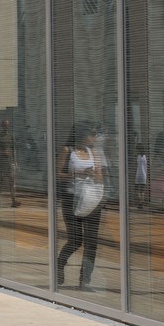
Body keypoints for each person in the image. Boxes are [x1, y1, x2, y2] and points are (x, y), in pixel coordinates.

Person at [56, 122, 105, 291]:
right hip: (72, 199)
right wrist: (80, 173)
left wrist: (95, 174)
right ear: (82, 135)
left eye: (95, 134)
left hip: (92, 200)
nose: (94, 137)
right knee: (75, 240)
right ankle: (59, 266)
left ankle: (85, 281)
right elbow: (58, 174)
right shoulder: (68, 151)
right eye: (92, 134)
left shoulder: (95, 153)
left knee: (91, 242)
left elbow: (100, 178)